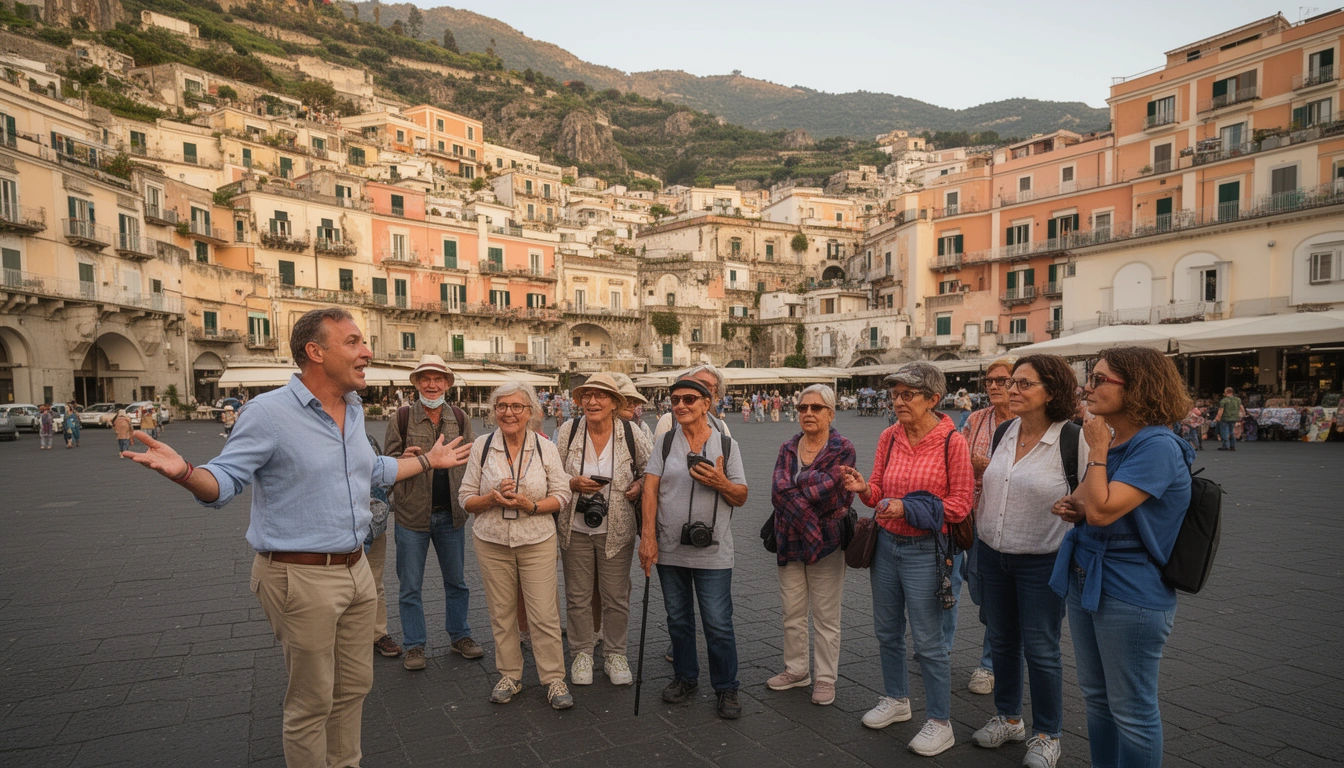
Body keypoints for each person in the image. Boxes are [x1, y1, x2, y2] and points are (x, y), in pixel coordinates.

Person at [121, 307, 472, 767]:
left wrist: (429, 461)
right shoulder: (267, 413)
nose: (366, 351)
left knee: (353, 690)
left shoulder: (351, 407)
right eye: (352, 342)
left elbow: (373, 469)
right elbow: (223, 482)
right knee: (311, 702)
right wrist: (186, 472)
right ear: (315, 351)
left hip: (356, 570)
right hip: (299, 576)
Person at [1049, 346, 1194, 768]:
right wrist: (1071, 505)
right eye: (1089, 377)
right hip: (1087, 576)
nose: (1087, 387)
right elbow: (1085, 504)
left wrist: (1095, 452)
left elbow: (1102, 510)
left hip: (1131, 589)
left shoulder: (1158, 446)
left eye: (1099, 379)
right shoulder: (1116, 438)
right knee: (1097, 698)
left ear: (1137, 389)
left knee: (1132, 710)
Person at [839, 361, 974, 757]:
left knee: (930, 642)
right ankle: (897, 700)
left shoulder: (953, 442)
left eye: (907, 394)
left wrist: (907, 509)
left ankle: (940, 721)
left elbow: (961, 504)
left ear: (934, 399)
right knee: (886, 631)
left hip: (926, 552)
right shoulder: (889, 437)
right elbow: (878, 490)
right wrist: (866, 488)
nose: (898, 401)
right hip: (886, 546)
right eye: (894, 394)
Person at [971, 355, 1087, 768]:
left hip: (1042, 559)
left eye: (1024, 384)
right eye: (1011, 383)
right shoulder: (1005, 430)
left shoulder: (1072, 439)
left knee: (1041, 648)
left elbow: (1094, 496)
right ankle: (1009, 717)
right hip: (992, 553)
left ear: (1051, 392)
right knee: (1001, 641)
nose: (1012, 390)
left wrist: (1078, 507)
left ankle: (1047, 734)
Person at [459, 382, 574, 710]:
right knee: (501, 611)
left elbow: (563, 494)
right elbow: (465, 498)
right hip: (491, 540)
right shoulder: (481, 446)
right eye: (502, 406)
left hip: (536, 538)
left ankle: (553, 678)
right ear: (494, 411)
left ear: (531, 412)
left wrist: (532, 506)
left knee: (543, 613)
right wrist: (489, 498)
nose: (508, 412)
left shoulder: (544, 447)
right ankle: (510, 674)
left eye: (516, 407)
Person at [640, 377, 749, 719]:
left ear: (707, 403)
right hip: (670, 548)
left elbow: (742, 496)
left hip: (713, 550)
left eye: (689, 399)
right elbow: (650, 489)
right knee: (678, 619)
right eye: (675, 400)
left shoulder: (727, 446)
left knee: (718, 622)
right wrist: (648, 537)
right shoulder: (665, 442)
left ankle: (726, 687)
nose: (681, 405)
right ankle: (685, 677)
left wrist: (720, 483)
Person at [384, 355, 482, 671]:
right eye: (425, 378)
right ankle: (414, 646)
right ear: (416, 383)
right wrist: (405, 458)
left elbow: (471, 461)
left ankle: (460, 636)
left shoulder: (460, 417)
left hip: (451, 514)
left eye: (438, 378)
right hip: (412, 515)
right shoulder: (401, 418)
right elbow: (387, 465)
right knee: (410, 585)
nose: (432, 384)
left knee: (457, 582)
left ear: (447, 384)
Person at [555, 373, 652, 686]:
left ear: (615, 403)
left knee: (615, 596)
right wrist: (571, 483)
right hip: (576, 529)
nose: (592, 401)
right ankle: (582, 652)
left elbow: (652, 472)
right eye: (587, 396)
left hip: (617, 529)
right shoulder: (567, 431)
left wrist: (637, 485)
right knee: (578, 596)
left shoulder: (630, 432)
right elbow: (552, 475)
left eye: (600, 396)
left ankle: (615, 653)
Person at [766, 384, 854, 706]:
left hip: (827, 540)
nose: (808, 413)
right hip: (788, 539)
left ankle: (826, 678)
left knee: (826, 615)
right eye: (803, 408)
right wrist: (803, 485)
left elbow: (829, 490)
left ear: (830, 413)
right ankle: (797, 669)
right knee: (792, 610)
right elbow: (776, 490)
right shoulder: (788, 447)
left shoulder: (843, 448)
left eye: (816, 408)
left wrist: (794, 486)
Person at [958, 357, 1017, 696]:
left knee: (995, 596)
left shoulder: (1030, 422)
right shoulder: (977, 419)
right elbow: (958, 458)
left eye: (1002, 380)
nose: (994, 386)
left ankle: (990, 663)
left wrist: (989, 467)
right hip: (976, 517)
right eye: (990, 380)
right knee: (978, 587)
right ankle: (1001, 638)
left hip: (1012, 522)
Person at [364, 434, 397, 664]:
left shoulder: (365, 439)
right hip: (334, 531)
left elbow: (383, 476)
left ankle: (378, 634)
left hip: (374, 525)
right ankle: (339, 637)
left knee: (375, 582)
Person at [1214, 387, 1243, 451]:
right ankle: (1232, 446)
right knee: (1231, 431)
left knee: (1224, 432)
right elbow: (1241, 408)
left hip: (1225, 418)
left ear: (1227, 392)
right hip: (1234, 418)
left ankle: (1225, 445)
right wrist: (1241, 416)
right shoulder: (1238, 400)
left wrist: (1217, 418)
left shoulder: (1224, 400)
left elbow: (1221, 410)